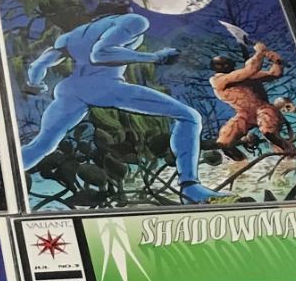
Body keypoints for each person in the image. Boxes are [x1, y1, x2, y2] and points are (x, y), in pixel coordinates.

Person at [20, 10, 210, 203]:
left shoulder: (72, 35)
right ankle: (190, 189)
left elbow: (38, 66)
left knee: (42, 144)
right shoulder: (133, 20)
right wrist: (156, 57)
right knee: (189, 117)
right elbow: (100, 54)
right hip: (106, 87)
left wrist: (36, 84)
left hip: (71, 90)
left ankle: (8, 175)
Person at [209, 41, 294, 159]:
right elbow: (250, 69)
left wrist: (277, 62)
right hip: (244, 114)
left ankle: (289, 155)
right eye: (220, 65)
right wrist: (260, 52)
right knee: (224, 142)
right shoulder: (218, 80)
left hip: (263, 108)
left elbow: (274, 74)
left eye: (226, 63)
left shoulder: (247, 76)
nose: (225, 66)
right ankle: (241, 163)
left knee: (268, 132)